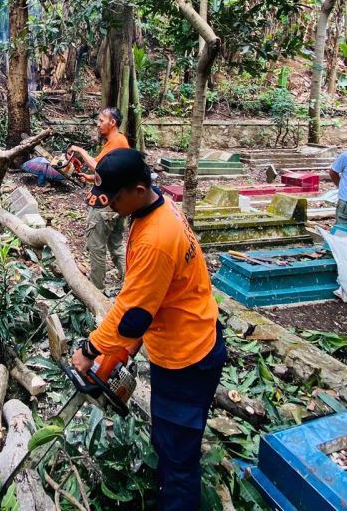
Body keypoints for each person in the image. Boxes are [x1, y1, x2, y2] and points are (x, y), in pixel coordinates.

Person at [69, 149, 226, 511]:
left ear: (138, 189)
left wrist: (90, 350)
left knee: (177, 455)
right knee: (169, 440)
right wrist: (127, 347)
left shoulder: (156, 238)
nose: (111, 208)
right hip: (187, 333)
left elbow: (132, 316)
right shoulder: (160, 205)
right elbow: (151, 294)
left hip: (187, 357)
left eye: (116, 199)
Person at [67, 107, 130, 289]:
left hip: (105, 208)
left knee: (96, 248)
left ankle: (95, 291)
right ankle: (129, 282)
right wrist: (89, 178)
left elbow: (98, 166)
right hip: (116, 203)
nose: (98, 124)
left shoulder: (118, 141)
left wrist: (79, 150)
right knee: (116, 245)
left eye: (102, 120)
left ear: (113, 122)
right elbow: (110, 173)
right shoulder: (117, 141)